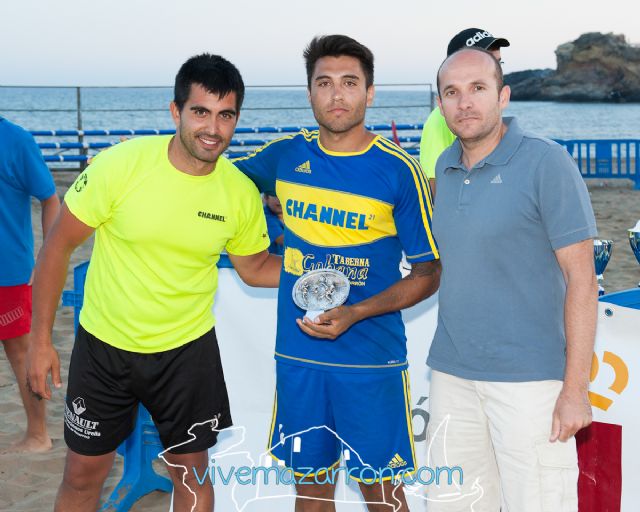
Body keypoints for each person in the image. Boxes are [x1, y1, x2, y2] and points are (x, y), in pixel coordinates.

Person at [26, 54, 281, 512]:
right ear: (175, 111)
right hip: (104, 346)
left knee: (193, 478)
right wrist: (40, 341)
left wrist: (317, 266)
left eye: (226, 115)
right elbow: (57, 247)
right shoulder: (120, 165)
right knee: (82, 478)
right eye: (200, 112)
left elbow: (255, 267)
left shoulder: (239, 192)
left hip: (186, 351)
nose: (213, 128)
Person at [234, 35, 441, 511]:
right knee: (310, 492)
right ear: (309, 92)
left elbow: (428, 274)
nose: (336, 95)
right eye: (324, 83)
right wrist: (267, 217)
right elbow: (219, 179)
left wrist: (357, 312)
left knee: (382, 495)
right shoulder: (285, 156)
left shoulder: (399, 170)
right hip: (299, 356)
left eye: (349, 82)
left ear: (370, 92)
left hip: (369, 359)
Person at [426, 47, 598, 511]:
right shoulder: (444, 167)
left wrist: (575, 391)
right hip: (452, 375)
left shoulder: (547, 162)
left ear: (502, 96)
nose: (465, 102)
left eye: (477, 88)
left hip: (531, 382)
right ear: (440, 105)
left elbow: (582, 280)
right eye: (452, 92)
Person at [0, 117, 60, 453]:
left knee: (21, 351)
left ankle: (38, 434)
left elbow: (50, 198)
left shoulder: (16, 140)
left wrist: (46, 258)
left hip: (9, 272)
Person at [419, 28, 510, 196]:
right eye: (484, 60)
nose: (496, 69)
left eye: (499, 62)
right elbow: (434, 187)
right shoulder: (442, 119)